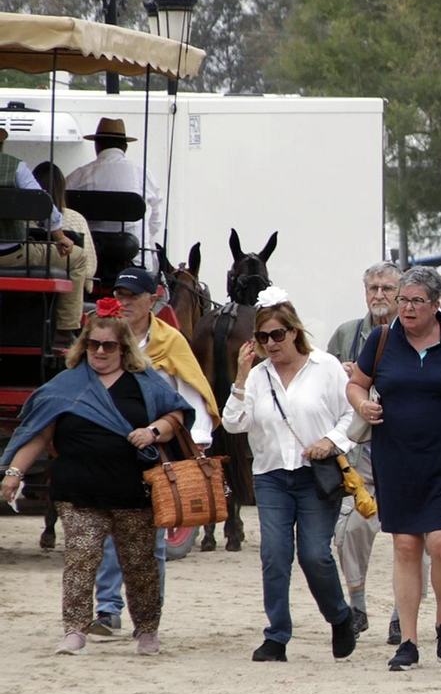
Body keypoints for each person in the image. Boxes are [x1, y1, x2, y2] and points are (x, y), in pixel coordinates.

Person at [2, 308, 191, 656]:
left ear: (124, 348)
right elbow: (40, 432)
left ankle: (147, 630)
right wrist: (14, 472)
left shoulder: (145, 382)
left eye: (109, 345)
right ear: (84, 346)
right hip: (78, 492)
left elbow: (176, 414)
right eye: (93, 344)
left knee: (140, 565)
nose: (100, 351)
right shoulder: (66, 384)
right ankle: (75, 630)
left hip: (134, 493)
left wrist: (152, 432)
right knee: (80, 560)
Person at [347, 267, 441, 671]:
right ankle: (407, 639)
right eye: (403, 299)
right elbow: (356, 383)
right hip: (395, 457)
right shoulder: (382, 339)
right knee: (405, 546)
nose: (406, 308)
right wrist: (362, 404)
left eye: (416, 301)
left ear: (436, 305)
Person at [222, 291, 359, 663]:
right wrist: (240, 375)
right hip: (271, 476)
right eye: (262, 337)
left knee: (315, 555)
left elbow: (351, 415)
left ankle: (340, 617)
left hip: (317, 476)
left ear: (294, 331)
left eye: (277, 335)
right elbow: (233, 423)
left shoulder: (325, 366)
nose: (270, 343)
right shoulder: (257, 376)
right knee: (274, 556)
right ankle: (277, 636)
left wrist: (330, 441)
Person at [89, 269, 218, 636]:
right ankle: (108, 610)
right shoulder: (105, 338)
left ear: (153, 298)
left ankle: (148, 615)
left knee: (153, 540)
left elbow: (190, 391)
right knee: (109, 533)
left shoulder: (170, 341)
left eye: (133, 295)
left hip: (157, 451)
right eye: (120, 294)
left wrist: (198, 440)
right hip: (110, 449)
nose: (125, 302)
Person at [326, 262, 401, 636]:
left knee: (412, 538)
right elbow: (321, 387)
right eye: (373, 288)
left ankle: (402, 613)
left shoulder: (416, 332)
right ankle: (357, 606)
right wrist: (340, 376)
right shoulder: (347, 333)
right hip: (360, 451)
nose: (379, 295)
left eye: (387, 288)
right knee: (351, 530)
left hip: (406, 449)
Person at [0, 128, 90, 344]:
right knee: (78, 257)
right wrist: (60, 237)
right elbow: (43, 204)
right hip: (11, 255)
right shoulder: (15, 167)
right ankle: (64, 329)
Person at [62, 118, 165, 271]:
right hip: (137, 262)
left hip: (93, 263)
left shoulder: (80, 175)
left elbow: (62, 208)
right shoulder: (143, 174)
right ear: (125, 147)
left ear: (97, 145)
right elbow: (155, 222)